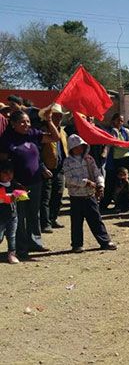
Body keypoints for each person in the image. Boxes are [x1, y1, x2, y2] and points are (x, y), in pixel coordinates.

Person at [0, 109, 59, 260]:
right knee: (19, 216)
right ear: (13, 124)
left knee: (34, 213)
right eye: (22, 122)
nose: (26, 124)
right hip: (17, 186)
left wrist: (49, 121)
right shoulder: (7, 139)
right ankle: (21, 249)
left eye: (27, 121)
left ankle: (35, 242)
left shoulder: (33, 134)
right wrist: (11, 182)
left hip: (35, 182)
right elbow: (3, 164)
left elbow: (55, 137)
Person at [63, 134, 117, 253]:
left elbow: (97, 173)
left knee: (96, 219)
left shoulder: (89, 159)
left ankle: (105, 241)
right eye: (77, 146)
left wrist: (100, 185)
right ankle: (77, 244)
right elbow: (69, 179)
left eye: (82, 146)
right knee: (76, 222)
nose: (80, 149)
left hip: (89, 195)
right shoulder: (67, 162)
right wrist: (85, 182)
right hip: (76, 197)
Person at [39, 104, 68, 233]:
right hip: (47, 167)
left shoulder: (62, 131)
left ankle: (53, 218)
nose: (59, 118)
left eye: (60, 115)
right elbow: (37, 153)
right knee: (46, 196)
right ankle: (45, 222)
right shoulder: (42, 131)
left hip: (60, 167)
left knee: (58, 194)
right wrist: (42, 167)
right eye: (56, 115)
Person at [101, 113, 129, 212]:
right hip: (114, 161)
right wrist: (123, 145)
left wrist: (120, 145)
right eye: (118, 120)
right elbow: (110, 143)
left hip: (126, 159)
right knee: (112, 182)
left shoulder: (126, 131)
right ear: (113, 121)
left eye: (121, 120)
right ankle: (105, 204)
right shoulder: (110, 131)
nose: (120, 122)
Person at [0, 160, 21, 264]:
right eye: (5, 173)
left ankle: (11, 254)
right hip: (1, 217)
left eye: (11, 173)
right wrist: (10, 197)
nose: (9, 175)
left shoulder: (14, 183)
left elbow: (22, 191)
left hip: (12, 216)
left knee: (12, 236)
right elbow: (2, 198)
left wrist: (22, 194)